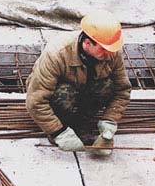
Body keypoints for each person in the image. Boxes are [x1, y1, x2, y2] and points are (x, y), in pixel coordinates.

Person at [26, 10, 131, 156]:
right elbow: (35, 101)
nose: (109, 53)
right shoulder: (57, 54)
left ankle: (83, 122)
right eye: (104, 49)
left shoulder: (111, 51)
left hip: (83, 91)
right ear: (88, 43)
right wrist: (58, 131)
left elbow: (123, 90)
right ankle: (63, 124)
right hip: (60, 96)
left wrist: (109, 120)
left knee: (107, 86)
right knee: (64, 93)